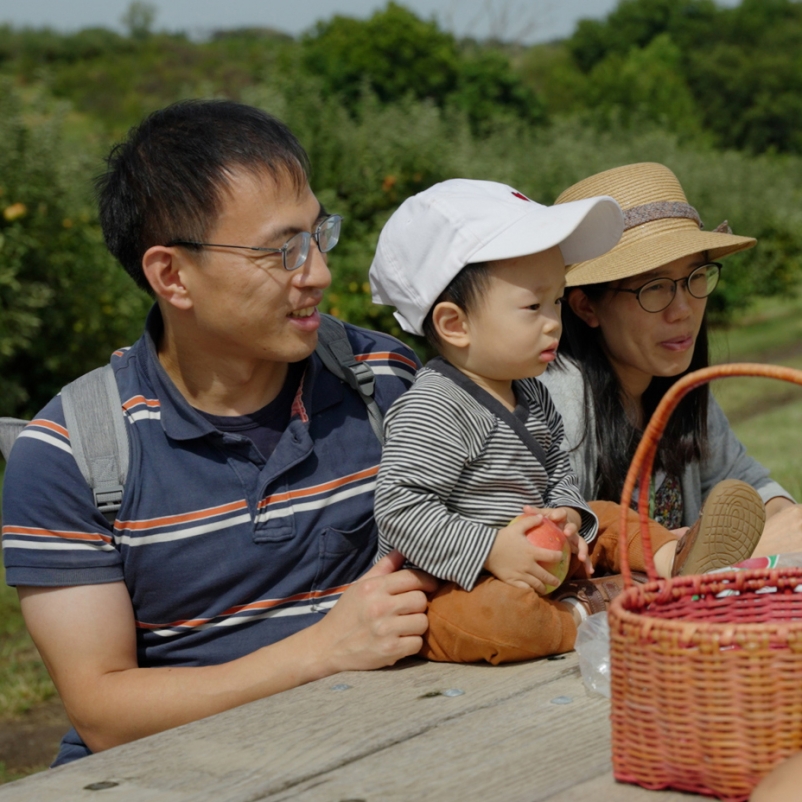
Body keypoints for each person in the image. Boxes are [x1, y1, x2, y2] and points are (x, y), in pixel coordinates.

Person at [0, 100, 436, 765]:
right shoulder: (73, 453)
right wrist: (321, 651)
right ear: (172, 275)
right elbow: (104, 715)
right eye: (283, 250)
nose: (316, 272)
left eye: (319, 236)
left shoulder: (382, 382)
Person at [367, 179, 763, 666]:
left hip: (538, 556)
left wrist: (568, 516)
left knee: (609, 513)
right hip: (456, 582)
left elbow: (556, 468)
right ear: (455, 324)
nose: (554, 322)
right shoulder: (436, 407)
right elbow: (400, 508)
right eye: (534, 306)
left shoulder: (528, 391)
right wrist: (490, 549)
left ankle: (673, 562)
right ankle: (581, 616)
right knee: (495, 617)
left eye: (556, 301)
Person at [540, 162, 801, 555]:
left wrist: (786, 519)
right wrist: (752, 553)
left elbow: (747, 482)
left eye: (696, 278)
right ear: (585, 307)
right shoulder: (557, 409)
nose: (683, 309)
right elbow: (552, 568)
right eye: (655, 287)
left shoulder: (677, 390)